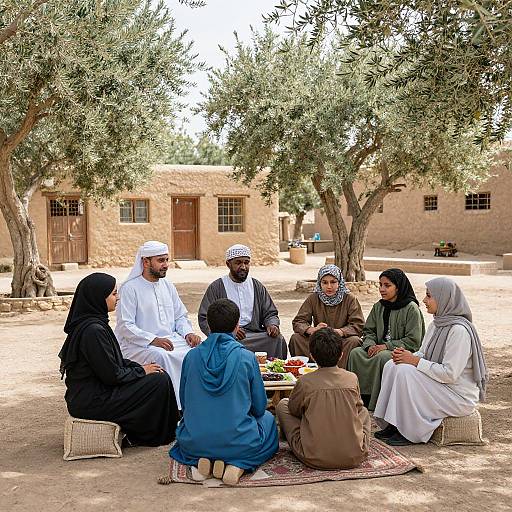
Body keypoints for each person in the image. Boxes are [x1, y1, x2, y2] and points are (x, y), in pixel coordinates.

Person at [59, 272, 179, 446]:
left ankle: (164, 430)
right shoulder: (93, 331)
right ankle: (144, 435)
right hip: (92, 401)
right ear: (99, 298)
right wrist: (141, 371)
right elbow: (112, 375)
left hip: (98, 391)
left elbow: (116, 361)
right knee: (157, 383)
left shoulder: (97, 324)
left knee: (158, 376)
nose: (118, 298)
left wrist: (140, 367)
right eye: (114, 293)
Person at [170, 298, 279, 485]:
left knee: (192, 427)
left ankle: (201, 463)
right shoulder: (246, 358)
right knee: (268, 421)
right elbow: (259, 408)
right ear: (237, 326)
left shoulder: (191, 357)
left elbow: (185, 403)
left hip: (195, 442)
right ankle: (238, 465)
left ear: (208, 326)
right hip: (239, 443)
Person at [374, 277, 488, 446]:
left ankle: (410, 431)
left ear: (444, 299)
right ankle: (394, 424)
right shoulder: (437, 324)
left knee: (405, 371)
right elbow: (423, 353)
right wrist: (405, 356)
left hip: (457, 395)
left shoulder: (459, 331)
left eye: (429, 296)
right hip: (441, 385)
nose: (424, 300)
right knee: (393, 365)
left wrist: (413, 361)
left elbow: (450, 374)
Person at [115, 241, 201, 409]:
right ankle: (175, 409)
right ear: (146, 262)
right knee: (162, 356)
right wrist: (153, 339)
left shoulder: (168, 286)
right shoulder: (129, 288)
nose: (166, 265)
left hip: (170, 340)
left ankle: (195, 404)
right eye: (161, 260)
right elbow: (125, 326)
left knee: (200, 350)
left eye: (167, 260)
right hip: (137, 345)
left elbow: (180, 316)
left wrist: (188, 333)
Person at [277, 327, 370, 469]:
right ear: (341, 355)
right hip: (354, 455)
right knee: (363, 412)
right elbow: (357, 409)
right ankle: (352, 443)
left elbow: (294, 411)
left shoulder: (305, 381)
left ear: (312, 356)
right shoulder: (352, 378)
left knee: (283, 405)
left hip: (313, 457)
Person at [348, 268, 424, 411]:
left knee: (383, 357)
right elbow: (368, 330)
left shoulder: (411, 308)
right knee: (356, 353)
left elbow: (413, 340)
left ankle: (377, 400)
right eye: (380, 285)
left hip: (401, 350)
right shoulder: (379, 306)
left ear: (398, 287)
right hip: (376, 348)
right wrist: (369, 345)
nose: (382, 289)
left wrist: (386, 346)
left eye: (387, 285)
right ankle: (359, 398)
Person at [198, 244, 287, 359]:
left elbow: (270, 313)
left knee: (277, 340)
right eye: (238, 263)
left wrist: (272, 324)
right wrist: (228, 332)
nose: (243, 267)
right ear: (228, 264)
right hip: (228, 337)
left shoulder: (256, 286)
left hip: (256, 335)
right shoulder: (217, 287)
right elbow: (204, 317)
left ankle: (277, 374)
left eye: (246, 262)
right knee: (224, 346)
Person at [289, 264, 364, 368]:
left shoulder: (350, 299)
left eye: (333, 282)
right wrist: (312, 330)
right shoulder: (313, 298)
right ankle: (308, 372)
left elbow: (358, 324)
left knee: (354, 341)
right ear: (320, 283)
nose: (329, 286)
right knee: (296, 338)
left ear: (340, 282)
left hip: (340, 341)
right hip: (318, 340)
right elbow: (298, 322)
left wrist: (340, 332)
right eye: (324, 282)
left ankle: (338, 373)